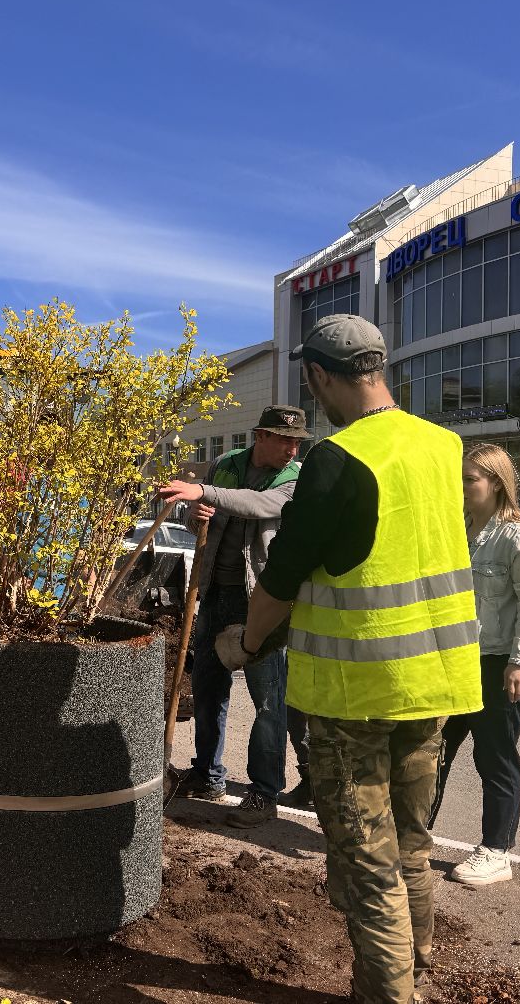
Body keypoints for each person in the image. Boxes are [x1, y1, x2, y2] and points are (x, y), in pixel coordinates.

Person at [226, 314, 483, 1004]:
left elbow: (281, 580)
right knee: (411, 847)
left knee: (370, 868)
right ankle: (415, 971)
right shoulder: (443, 445)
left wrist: (245, 644)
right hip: (435, 683)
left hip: (355, 696)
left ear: (318, 376)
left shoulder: (338, 459)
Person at [156, 404, 310, 827]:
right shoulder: (225, 465)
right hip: (214, 593)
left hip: (262, 601)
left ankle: (264, 793)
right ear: (261, 436)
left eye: (297, 441)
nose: (292, 449)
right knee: (207, 689)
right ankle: (208, 775)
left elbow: (258, 506)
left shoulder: (295, 477)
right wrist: (196, 515)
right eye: (285, 440)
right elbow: (200, 520)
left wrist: (204, 494)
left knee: (268, 700)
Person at [428, 443, 520, 887]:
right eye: (458, 479)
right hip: (455, 661)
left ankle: (496, 851)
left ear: (496, 484)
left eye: (470, 479)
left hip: (501, 666)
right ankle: (413, 836)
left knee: (494, 757)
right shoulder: (457, 530)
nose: (461, 487)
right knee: (431, 750)